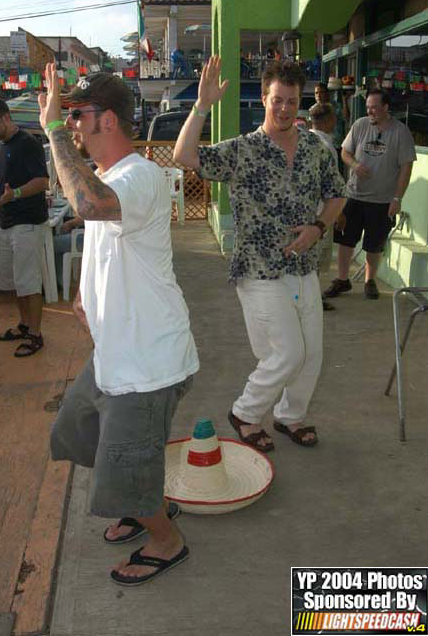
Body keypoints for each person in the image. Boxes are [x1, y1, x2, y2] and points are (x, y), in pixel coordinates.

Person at [39, 64, 199, 586]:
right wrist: (86, 290)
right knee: (76, 430)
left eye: (79, 115)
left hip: (149, 362)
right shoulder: (109, 176)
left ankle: (165, 539)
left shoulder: (140, 175)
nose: (75, 126)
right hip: (117, 351)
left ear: (106, 120)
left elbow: (89, 206)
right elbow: (100, 228)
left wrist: (53, 132)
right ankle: (143, 500)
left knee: (122, 466)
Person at [174, 57, 345, 450]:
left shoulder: (316, 149)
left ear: (300, 101)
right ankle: (246, 414)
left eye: (291, 100)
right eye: (277, 100)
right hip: (258, 267)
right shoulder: (244, 150)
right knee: (288, 353)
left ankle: (290, 416)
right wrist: (201, 105)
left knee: (311, 355)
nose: (284, 108)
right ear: (264, 99)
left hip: (303, 267)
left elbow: (337, 194)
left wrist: (319, 226)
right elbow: (185, 157)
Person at [324, 89, 416, 301]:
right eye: (368, 107)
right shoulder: (360, 125)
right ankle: (342, 279)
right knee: (346, 240)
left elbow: (406, 168)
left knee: (374, 244)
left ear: (386, 107)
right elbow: (345, 153)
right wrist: (355, 165)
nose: (370, 111)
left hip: (382, 200)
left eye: (374, 107)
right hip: (354, 195)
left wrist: (397, 198)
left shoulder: (401, 132)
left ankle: (369, 281)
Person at [0, 98, 49, 356]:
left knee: (29, 282)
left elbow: (42, 181)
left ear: (6, 117)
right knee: (14, 282)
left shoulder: (28, 144)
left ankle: (36, 334)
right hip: (5, 222)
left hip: (27, 222)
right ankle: (24, 325)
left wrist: (16, 194)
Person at [309, 102, 344, 312]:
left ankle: (310, 298)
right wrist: (337, 213)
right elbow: (330, 186)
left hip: (308, 210)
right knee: (316, 259)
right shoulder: (326, 146)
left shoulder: (304, 140)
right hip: (322, 212)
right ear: (329, 120)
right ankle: (313, 300)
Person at [311, 82, 345, 154]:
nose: (318, 95)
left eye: (321, 92)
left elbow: (345, 118)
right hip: (319, 145)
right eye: (316, 93)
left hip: (336, 145)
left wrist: (344, 99)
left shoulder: (335, 107)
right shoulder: (313, 109)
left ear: (327, 94)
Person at [53, 214, 84, 289]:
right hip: (85, 236)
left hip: (84, 239)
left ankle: (55, 283)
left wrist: (70, 223)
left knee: (52, 243)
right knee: (58, 239)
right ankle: (58, 281)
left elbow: (89, 214)